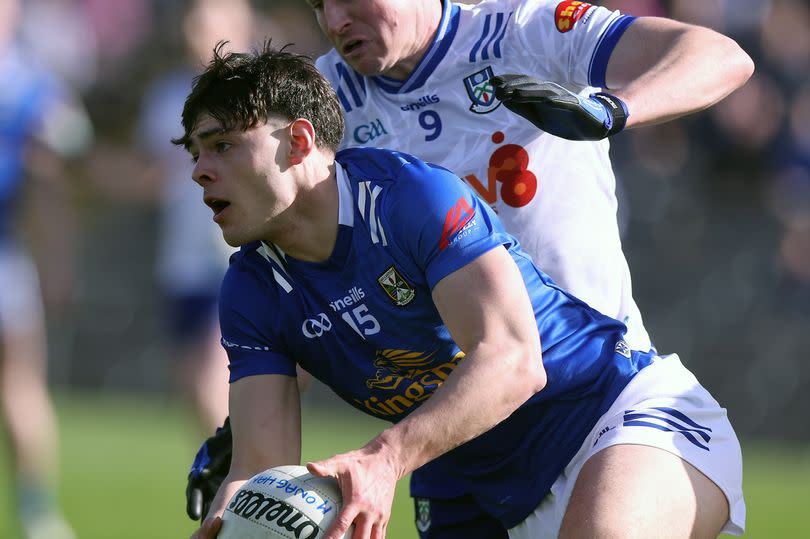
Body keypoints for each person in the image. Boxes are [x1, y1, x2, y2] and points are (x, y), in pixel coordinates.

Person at [184, 0, 755, 530]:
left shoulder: (525, 31)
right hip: (454, 442)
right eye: (318, 4)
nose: (334, 19)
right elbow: (330, 302)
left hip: (591, 394)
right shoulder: (318, 101)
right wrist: (254, 445)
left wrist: (610, 109)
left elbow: (720, 56)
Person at [135, 0, 259, 434]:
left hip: (233, 257)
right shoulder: (167, 95)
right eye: (191, 19)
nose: (194, 29)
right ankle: (232, 475)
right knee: (191, 382)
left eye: (206, 19)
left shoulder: (259, 92)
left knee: (212, 380)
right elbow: (151, 177)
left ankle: (244, 481)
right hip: (181, 263)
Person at [0, 0, 92, 537]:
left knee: (20, 385)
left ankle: (37, 509)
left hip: (6, 254)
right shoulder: (30, 83)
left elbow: (64, 158)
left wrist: (58, 258)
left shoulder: (30, 86)